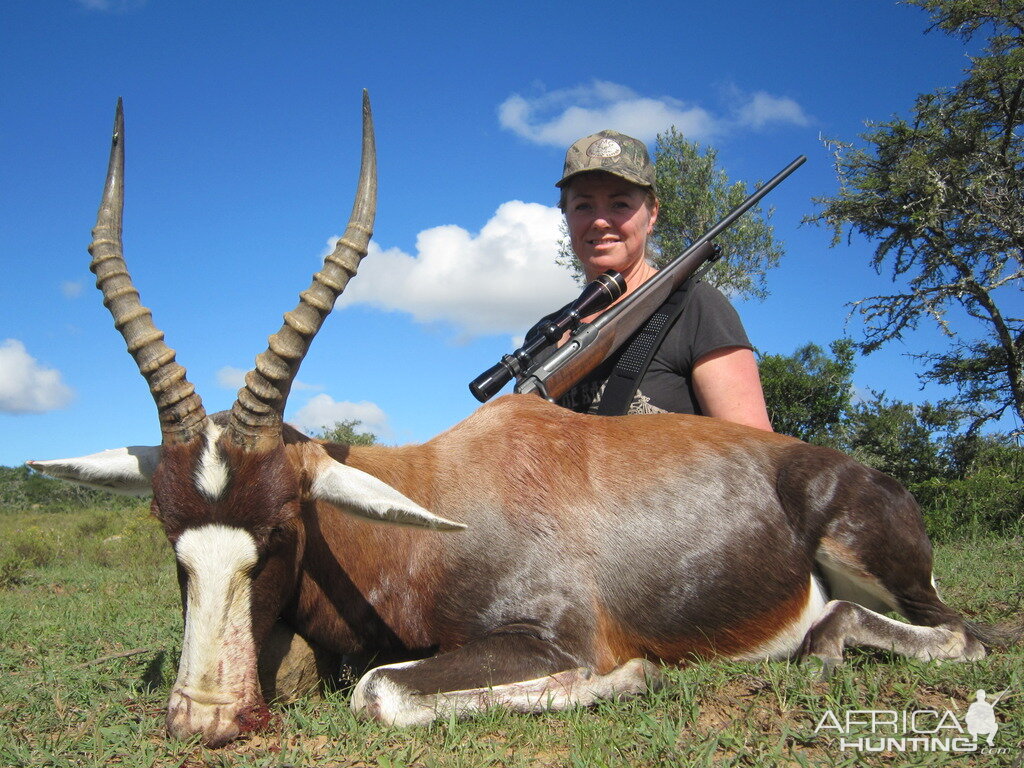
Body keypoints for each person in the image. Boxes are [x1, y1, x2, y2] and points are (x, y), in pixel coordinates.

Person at [548, 129, 773, 431]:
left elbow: (755, 451)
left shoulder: (696, 308)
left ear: (652, 214)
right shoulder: (545, 337)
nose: (600, 221)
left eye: (620, 204)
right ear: (566, 216)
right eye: (583, 206)